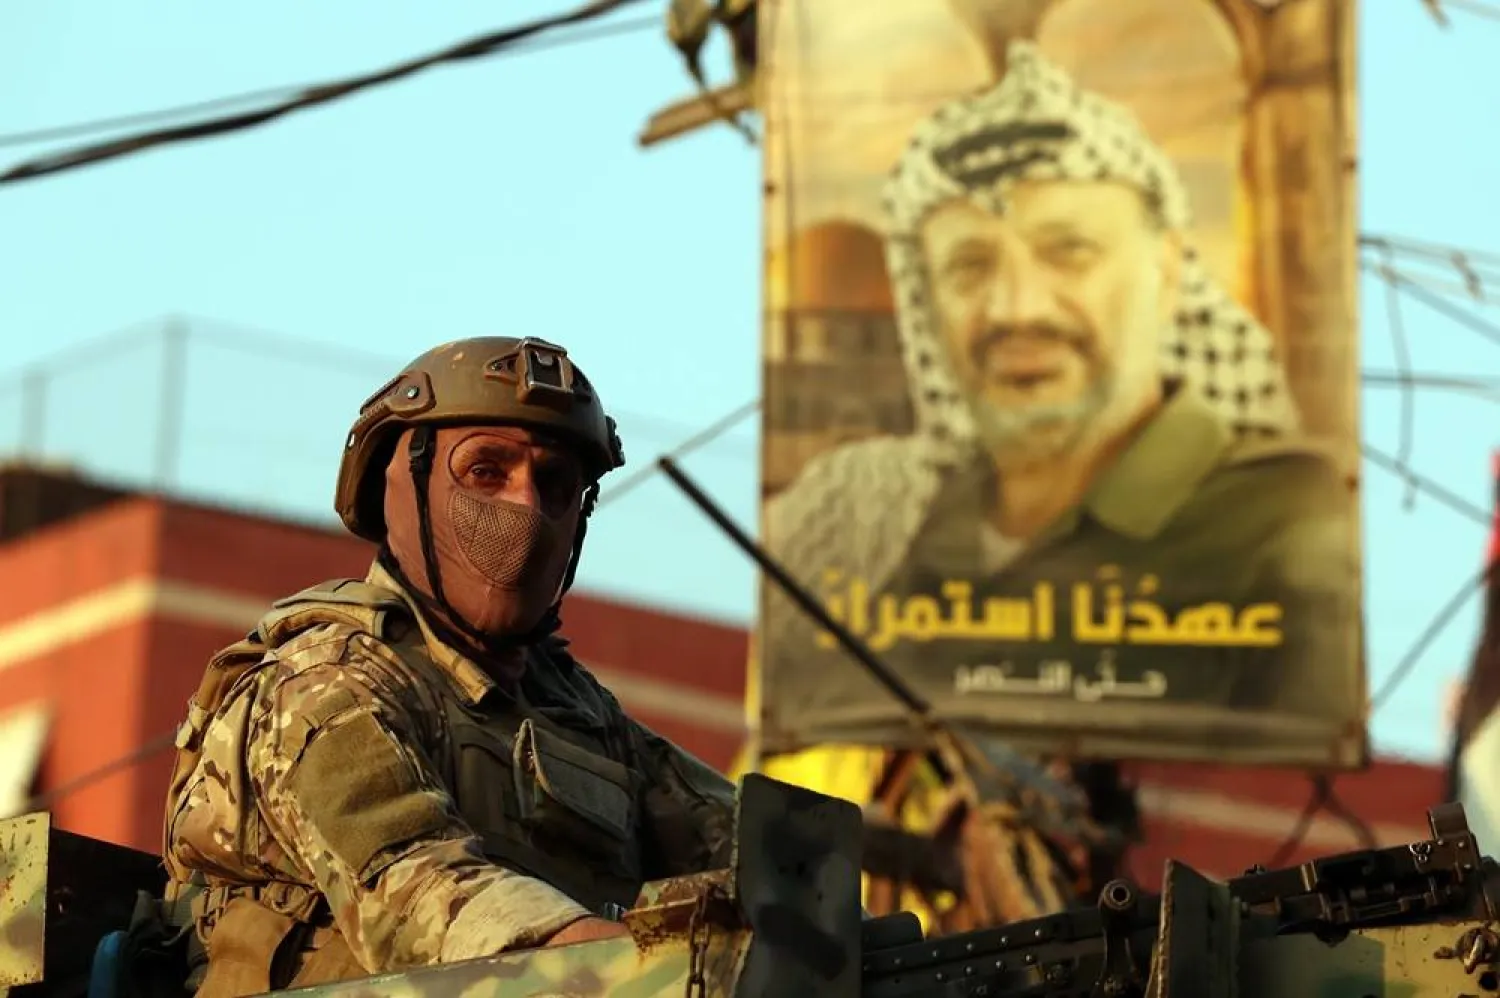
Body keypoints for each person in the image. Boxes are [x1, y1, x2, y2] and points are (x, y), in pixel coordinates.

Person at [758, 42, 1360, 752]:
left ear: (1167, 274)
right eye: (970, 266)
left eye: (1068, 251)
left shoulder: (1286, 524)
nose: (1017, 307)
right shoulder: (883, 520)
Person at [160, 336, 738, 997]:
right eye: (486, 471)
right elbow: (419, 890)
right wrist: (631, 969)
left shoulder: (579, 714)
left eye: (554, 484)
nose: (526, 508)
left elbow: (761, 857)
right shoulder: (324, 678)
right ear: (403, 488)